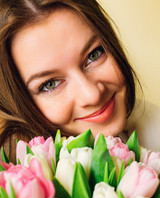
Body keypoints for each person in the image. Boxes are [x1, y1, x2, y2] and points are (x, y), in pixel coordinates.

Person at [0, 0, 159, 162]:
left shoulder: (151, 126)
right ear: (17, 104)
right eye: (50, 84)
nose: (92, 95)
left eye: (94, 55)